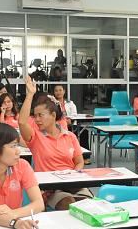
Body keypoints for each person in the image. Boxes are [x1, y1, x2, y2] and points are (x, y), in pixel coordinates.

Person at [19, 76, 92, 210]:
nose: (37, 119)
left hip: (72, 183)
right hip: (50, 189)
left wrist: (73, 176)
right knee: (68, 203)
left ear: (53, 115)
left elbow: (79, 162)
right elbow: (22, 122)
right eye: (35, 116)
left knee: (89, 204)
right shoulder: (35, 137)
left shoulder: (70, 136)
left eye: (40, 115)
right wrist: (30, 95)